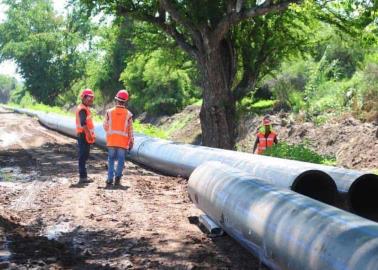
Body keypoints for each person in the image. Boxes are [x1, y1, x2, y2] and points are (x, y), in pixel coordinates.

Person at [103, 89, 134, 187]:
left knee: (111, 159)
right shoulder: (128, 114)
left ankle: (109, 179)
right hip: (122, 142)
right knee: (121, 160)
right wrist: (131, 141)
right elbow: (130, 129)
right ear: (125, 101)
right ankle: (117, 179)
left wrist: (110, 132)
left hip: (111, 140)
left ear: (116, 100)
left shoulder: (109, 112)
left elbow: (105, 126)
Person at [75, 88, 96, 184]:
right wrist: (89, 135)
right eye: (89, 98)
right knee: (83, 156)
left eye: (92, 98)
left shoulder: (85, 108)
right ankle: (83, 177)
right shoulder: (82, 109)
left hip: (84, 135)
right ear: (83, 98)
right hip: (83, 135)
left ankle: (84, 175)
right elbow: (83, 124)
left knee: (84, 156)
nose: (91, 100)